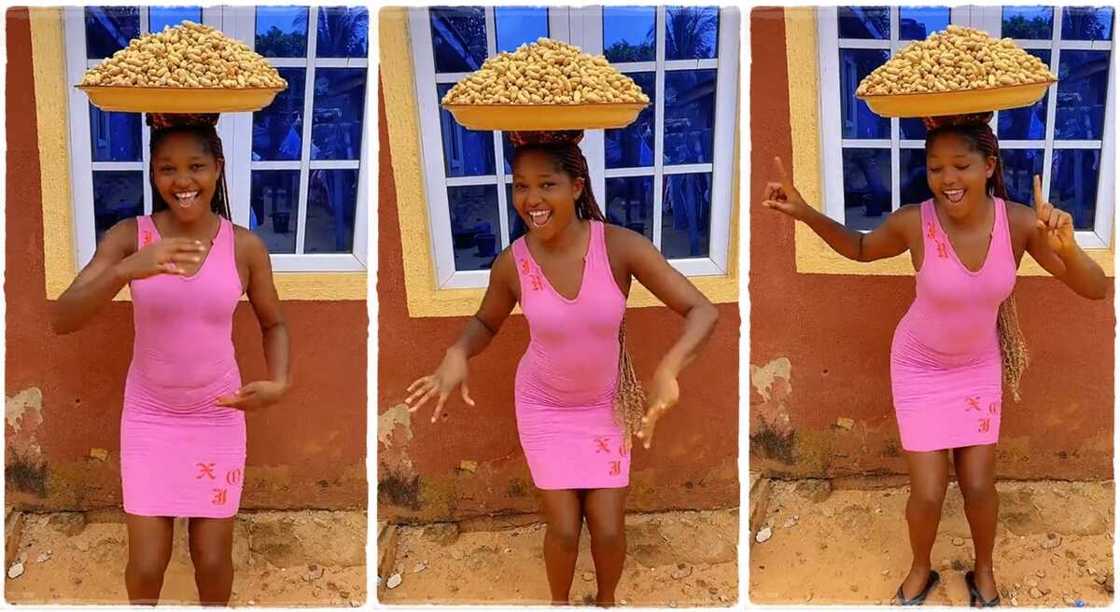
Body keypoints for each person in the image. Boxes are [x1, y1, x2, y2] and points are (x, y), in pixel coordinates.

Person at [761, 112, 1106, 607]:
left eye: (960, 166)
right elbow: (860, 249)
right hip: (919, 367)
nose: (947, 180)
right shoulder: (915, 222)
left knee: (979, 485)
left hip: (977, 367)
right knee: (927, 492)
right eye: (935, 168)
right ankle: (921, 568)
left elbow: (1094, 290)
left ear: (989, 165)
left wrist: (1069, 250)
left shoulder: (1020, 224)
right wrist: (805, 212)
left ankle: (984, 571)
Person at [405, 130, 719, 606]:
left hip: (603, 406)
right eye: (521, 186)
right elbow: (485, 322)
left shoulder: (618, 247)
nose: (531, 199)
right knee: (566, 531)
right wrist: (456, 354)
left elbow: (702, 310)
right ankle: (559, 603)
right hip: (544, 407)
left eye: (546, 184)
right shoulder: (513, 263)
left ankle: (606, 601)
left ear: (576, 187)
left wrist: (669, 369)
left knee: (610, 532)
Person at [50, 113, 291, 605]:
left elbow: (274, 324)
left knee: (213, 561)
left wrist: (280, 382)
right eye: (167, 169)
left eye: (196, 166)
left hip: (217, 415)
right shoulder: (128, 236)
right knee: (145, 564)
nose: (182, 181)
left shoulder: (244, 246)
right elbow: (63, 319)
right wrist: (125, 270)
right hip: (150, 417)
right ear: (153, 173)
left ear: (218, 168)